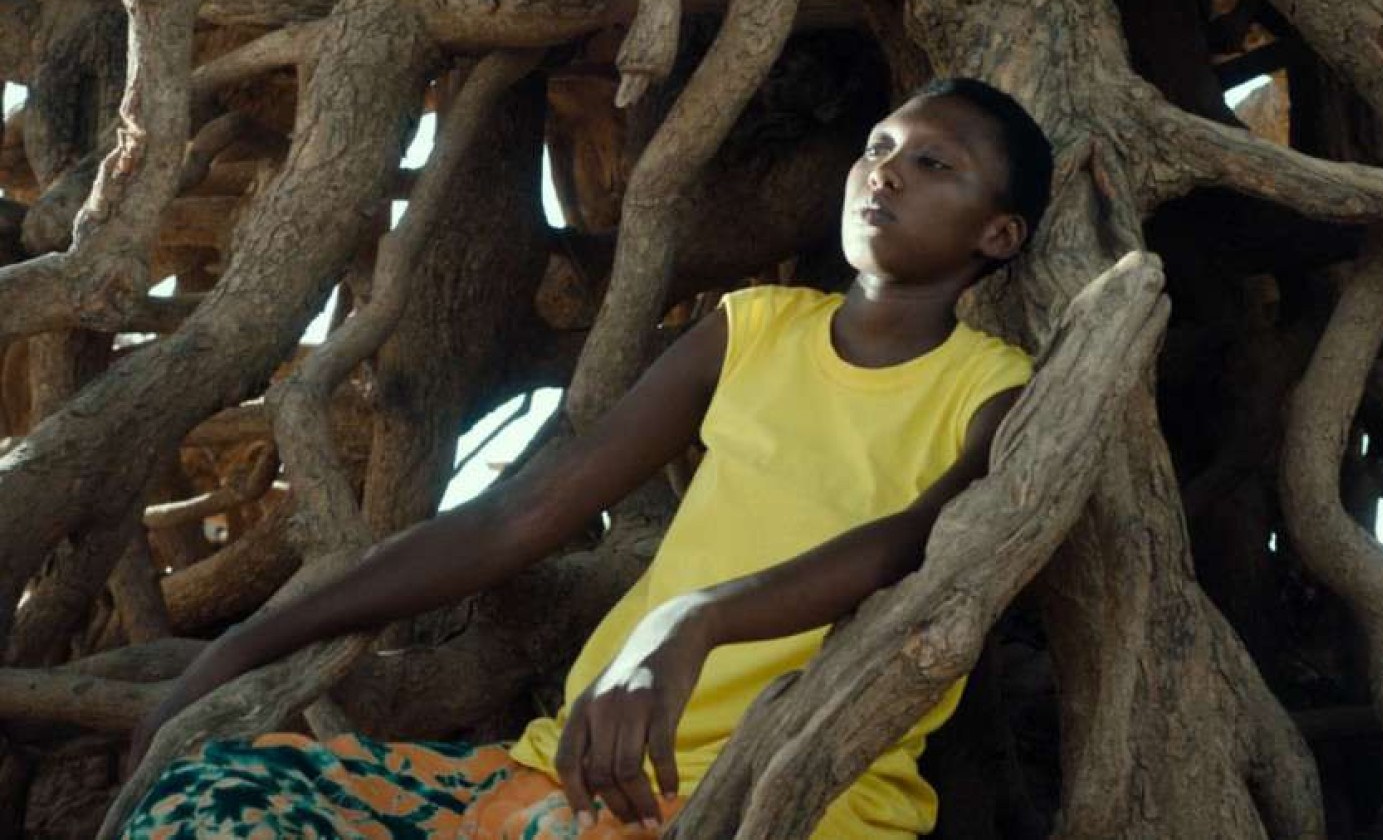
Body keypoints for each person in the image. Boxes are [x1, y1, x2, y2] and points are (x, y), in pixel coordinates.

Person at [120, 77, 1055, 840]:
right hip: (565, 785)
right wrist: (243, 646)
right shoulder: (754, 330)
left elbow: (915, 546)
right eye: (879, 148)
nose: (886, 174)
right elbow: (519, 517)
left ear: (998, 235)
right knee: (217, 801)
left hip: (792, 804)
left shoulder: (998, 390)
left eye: (933, 164)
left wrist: (695, 620)